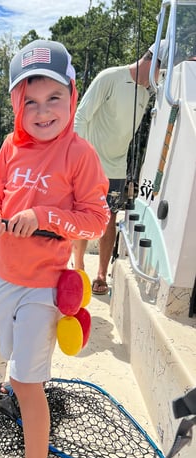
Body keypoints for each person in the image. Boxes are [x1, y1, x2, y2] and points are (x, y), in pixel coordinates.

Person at [0, 40, 109, 458]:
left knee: (24, 381)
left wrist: (45, 215)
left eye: (54, 98)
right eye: (30, 101)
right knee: (14, 367)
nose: (43, 111)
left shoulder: (80, 154)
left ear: (71, 96)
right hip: (3, 279)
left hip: (44, 287)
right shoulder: (11, 147)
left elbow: (96, 221)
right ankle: (31, 423)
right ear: (18, 104)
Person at [72, 42, 165, 294]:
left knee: (109, 219)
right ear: (153, 62)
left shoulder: (147, 93)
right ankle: (79, 268)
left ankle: (101, 275)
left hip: (117, 168)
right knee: (82, 217)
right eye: (163, 73)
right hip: (90, 165)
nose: (162, 81)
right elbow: (80, 117)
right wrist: (78, 159)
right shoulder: (109, 77)